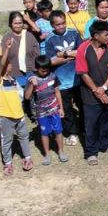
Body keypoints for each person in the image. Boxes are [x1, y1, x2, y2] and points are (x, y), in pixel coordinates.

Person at [76, 21, 108, 165]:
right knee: (91, 123)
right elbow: (83, 73)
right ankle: (91, 152)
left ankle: (107, 144)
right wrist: (97, 91)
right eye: (106, 34)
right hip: (89, 93)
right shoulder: (83, 49)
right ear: (96, 36)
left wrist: (104, 88)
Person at [40, 10, 81, 146]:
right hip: (62, 81)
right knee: (67, 108)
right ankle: (72, 132)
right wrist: (70, 56)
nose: (61, 26)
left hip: (78, 77)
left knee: (82, 104)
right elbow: (51, 61)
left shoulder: (74, 33)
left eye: (63, 23)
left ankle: (84, 127)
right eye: (58, 24)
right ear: (52, 25)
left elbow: (81, 52)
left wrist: (63, 54)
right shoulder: (49, 39)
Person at [25, 55, 68, 165]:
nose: (45, 73)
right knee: (44, 133)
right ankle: (47, 154)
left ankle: (61, 151)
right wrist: (32, 85)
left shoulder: (53, 77)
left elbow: (57, 92)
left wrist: (61, 108)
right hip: (41, 112)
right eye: (42, 71)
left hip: (55, 109)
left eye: (47, 70)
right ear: (36, 68)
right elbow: (27, 97)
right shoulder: (32, 79)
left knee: (58, 131)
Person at [0, 69, 33, 175]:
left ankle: (27, 158)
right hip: (6, 116)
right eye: (8, 63)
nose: (11, 64)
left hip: (19, 114)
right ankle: (8, 163)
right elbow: (0, 67)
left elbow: (21, 94)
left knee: (24, 136)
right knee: (7, 140)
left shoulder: (13, 79)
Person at [0, 11, 39, 87]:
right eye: (15, 23)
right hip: (14, 75)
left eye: (20, 23)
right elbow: (4, 58)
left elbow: (37, 54)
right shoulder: (7, 38)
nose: (18, 26)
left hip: (31, 74)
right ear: (10, 24)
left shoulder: (29, 36)